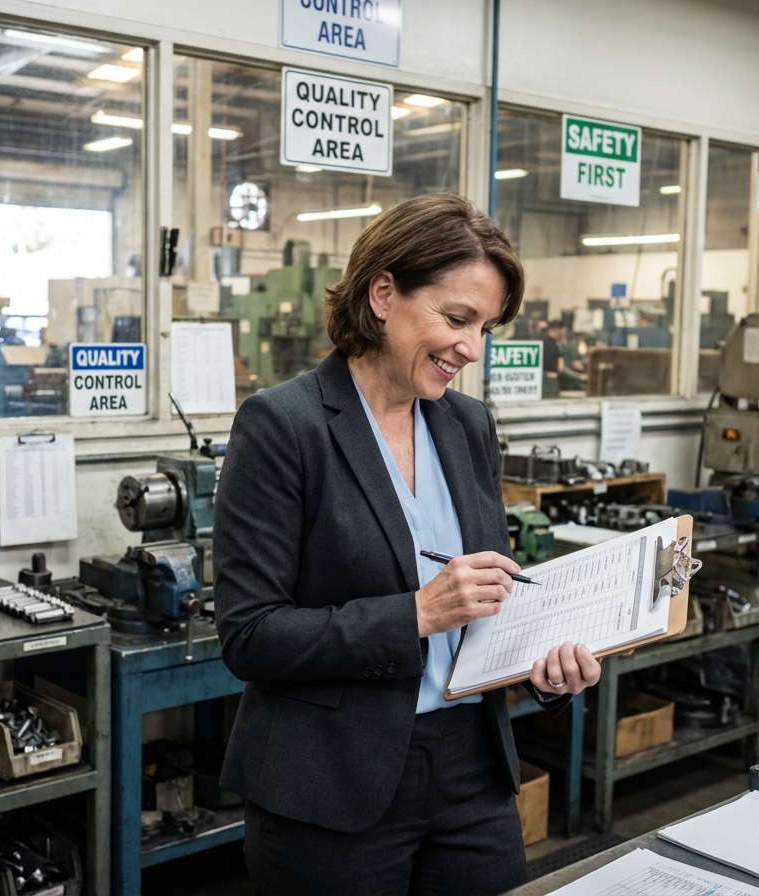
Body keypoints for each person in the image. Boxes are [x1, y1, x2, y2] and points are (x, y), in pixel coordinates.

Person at [214, 193, 602, 896]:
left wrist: (541, 667)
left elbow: (488, 598)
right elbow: (250, 635)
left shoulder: (468, 427)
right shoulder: (283, 426)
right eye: (457, 319)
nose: (472, 348)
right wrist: (416, 615)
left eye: (485, 327)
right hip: (332, 786)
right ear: (384, 293)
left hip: (471, 774)